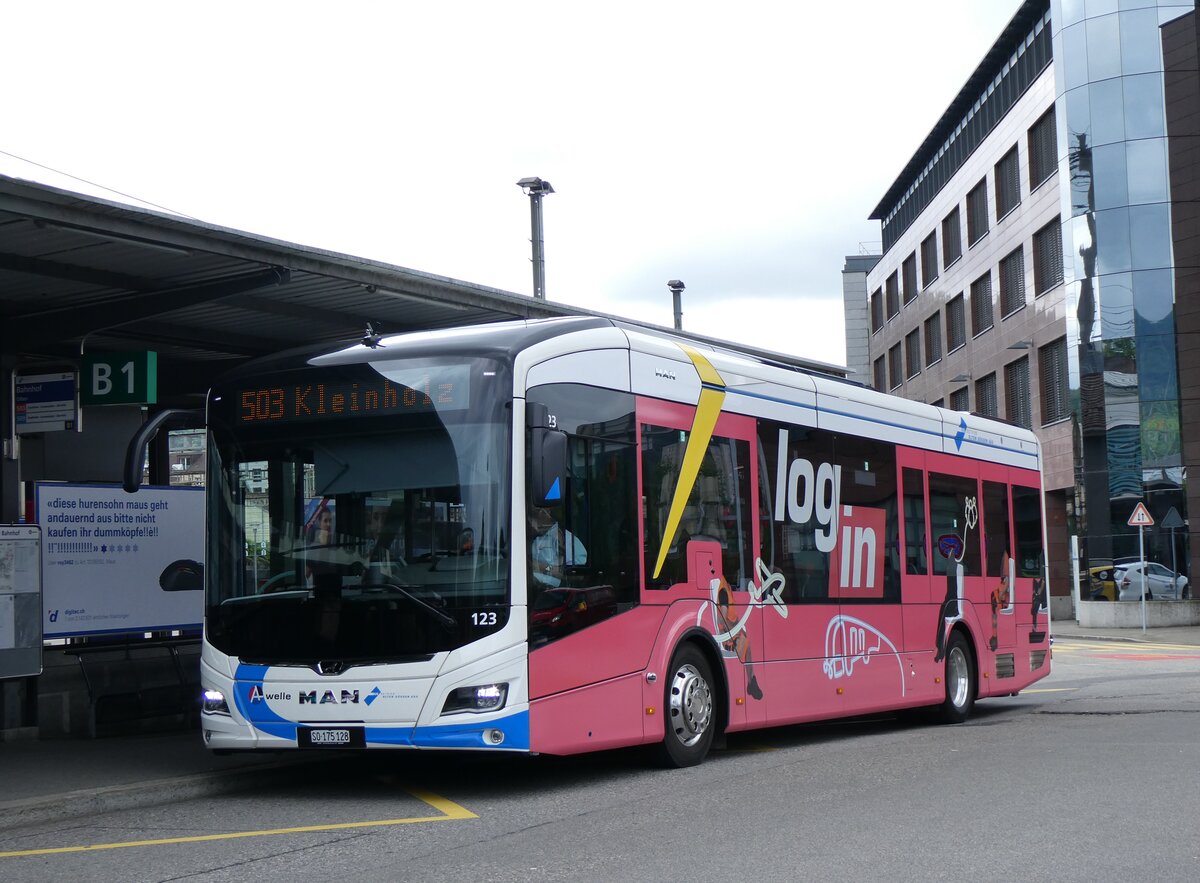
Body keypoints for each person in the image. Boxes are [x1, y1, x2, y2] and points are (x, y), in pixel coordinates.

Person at [529, 507, 587, 587]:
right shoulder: (535, 538)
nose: (531, 523)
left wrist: (542, 567)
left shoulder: (567, 539)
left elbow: (579, 575)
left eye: (534, 516)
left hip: (553, 592)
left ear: (546, 513)